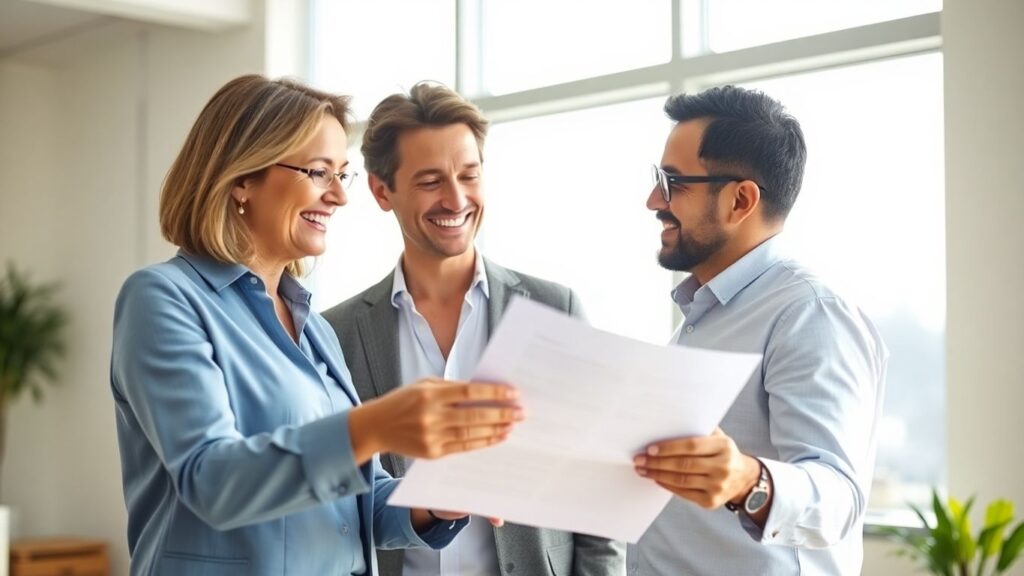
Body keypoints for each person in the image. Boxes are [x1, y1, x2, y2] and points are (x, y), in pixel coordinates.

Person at [110, 75, 525, 576]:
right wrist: (375, 425)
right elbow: (212, 480)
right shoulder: (163, 299)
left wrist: (436, 501)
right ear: (242, 178)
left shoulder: (314, 329)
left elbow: (358, 505)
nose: (338, 197)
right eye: (318, 172)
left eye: (341, 174)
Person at [323, 82, 625, 576]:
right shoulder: (337, 333)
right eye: (429, 181)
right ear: (382, 191)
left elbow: (597, 485)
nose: (456, 199)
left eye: (469, 175)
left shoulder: (555, 309)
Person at [629, 86, 888, 575]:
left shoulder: (809, 314)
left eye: (672, 182)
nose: (652, 201)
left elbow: (839, 500)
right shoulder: (702, 316)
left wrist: (747, 479)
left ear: (741, 199)